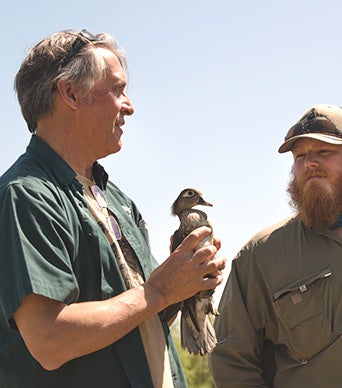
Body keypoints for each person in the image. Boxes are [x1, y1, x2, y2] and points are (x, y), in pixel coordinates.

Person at [0, 29, 225, 388]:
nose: (129, 105)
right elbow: (49, 340)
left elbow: (141, 316)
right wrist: (159, 290)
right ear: (71, 93)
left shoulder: (117, 200)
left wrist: (186, 282)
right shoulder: (27, 195)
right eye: (117, 90)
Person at [209, 104, 342, 387]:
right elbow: (231, 359)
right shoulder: (260, 256)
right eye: (300, 156)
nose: (309, 163)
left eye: (324, 152)